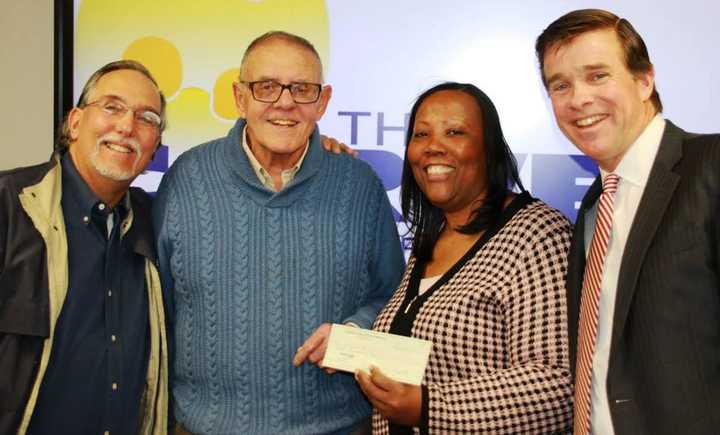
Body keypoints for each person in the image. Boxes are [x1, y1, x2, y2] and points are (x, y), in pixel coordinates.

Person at [153, 31, 405, 434]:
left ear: (322, 102)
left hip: (337, 428)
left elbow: (394, 297)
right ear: (240, 98)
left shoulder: (360, 186)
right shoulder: (186, 178)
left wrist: (355, 332)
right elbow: (156, 305)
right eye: (266, 87)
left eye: (302, 89)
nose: (284, 102)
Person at [535, 9, 720, 435]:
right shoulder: (593, 206)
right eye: (560, 85)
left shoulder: (709, 167)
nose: (578, 98)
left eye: (597, 75)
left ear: (644, 80)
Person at [355, 82, 574, 434]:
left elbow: (558, 385)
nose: (433, 147)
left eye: (455, 132)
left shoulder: (538, 234)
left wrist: (428, 408)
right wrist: (345, 344)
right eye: (421, 134)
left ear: (488, 150)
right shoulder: (434, 237)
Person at [0, 60, 169, 435]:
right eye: (112, 107)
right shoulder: (10, 206)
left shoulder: (156, 222)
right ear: (74, 122)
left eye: (147, 119)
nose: (127, 126)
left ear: (155, 146)